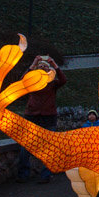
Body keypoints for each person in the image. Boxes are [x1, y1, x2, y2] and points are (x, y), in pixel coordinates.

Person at [17, 55, 67, 183]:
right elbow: (22, 81)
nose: (43, 68)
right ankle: (23, 173)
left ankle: (46, 174)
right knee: (25, 145)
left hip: (48, 116)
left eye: (45, 66)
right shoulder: (32, 81)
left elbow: (63, 80)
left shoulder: (53, 83)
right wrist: (33, 64)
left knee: (48, 146)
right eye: (40, 66)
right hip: (32, 115)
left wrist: (54, 64)